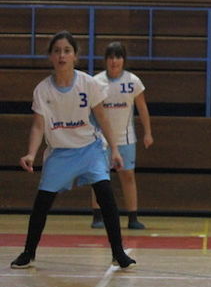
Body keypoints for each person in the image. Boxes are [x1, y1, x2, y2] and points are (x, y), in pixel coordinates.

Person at [10, 31, 136, 271]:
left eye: (67, 51)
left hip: (90, 150)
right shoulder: (43, 90)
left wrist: (115, 150)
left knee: (106, 195)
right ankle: (28, 253)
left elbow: (103, 119)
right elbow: (38, 126)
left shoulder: (88, 83)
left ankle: (118, 253)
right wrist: (31, 153)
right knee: (42, 203)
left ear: (75, 56)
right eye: (57, 51)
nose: (62, 55)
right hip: (60, 152)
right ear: (50, 56)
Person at [90, 42, 154, 231]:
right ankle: (97, 216)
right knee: (99, 178)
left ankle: (133, 218)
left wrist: (148, 132)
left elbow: (142, 108)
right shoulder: (96, 82)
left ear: (123, 60)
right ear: (105, 60)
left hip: (125, 138)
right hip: (101, 139)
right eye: (110, 57)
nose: (114, 61)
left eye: (118, 57)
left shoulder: (133, 81)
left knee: (128, 177)